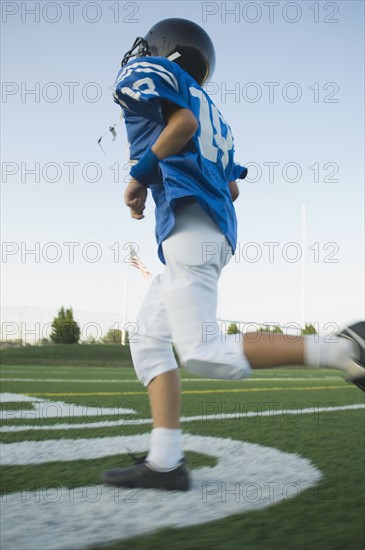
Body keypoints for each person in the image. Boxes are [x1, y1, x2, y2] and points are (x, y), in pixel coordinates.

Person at [101, 18, 365, 492]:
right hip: (211, 228)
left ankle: (346, 349)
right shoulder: (212, 107)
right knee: (147, 339)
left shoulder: (152, 75)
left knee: (203, 353)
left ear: (164, 50)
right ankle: (166, 462)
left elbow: (181, 124)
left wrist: (140, 176)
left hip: (189, 226)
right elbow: (233, 187)